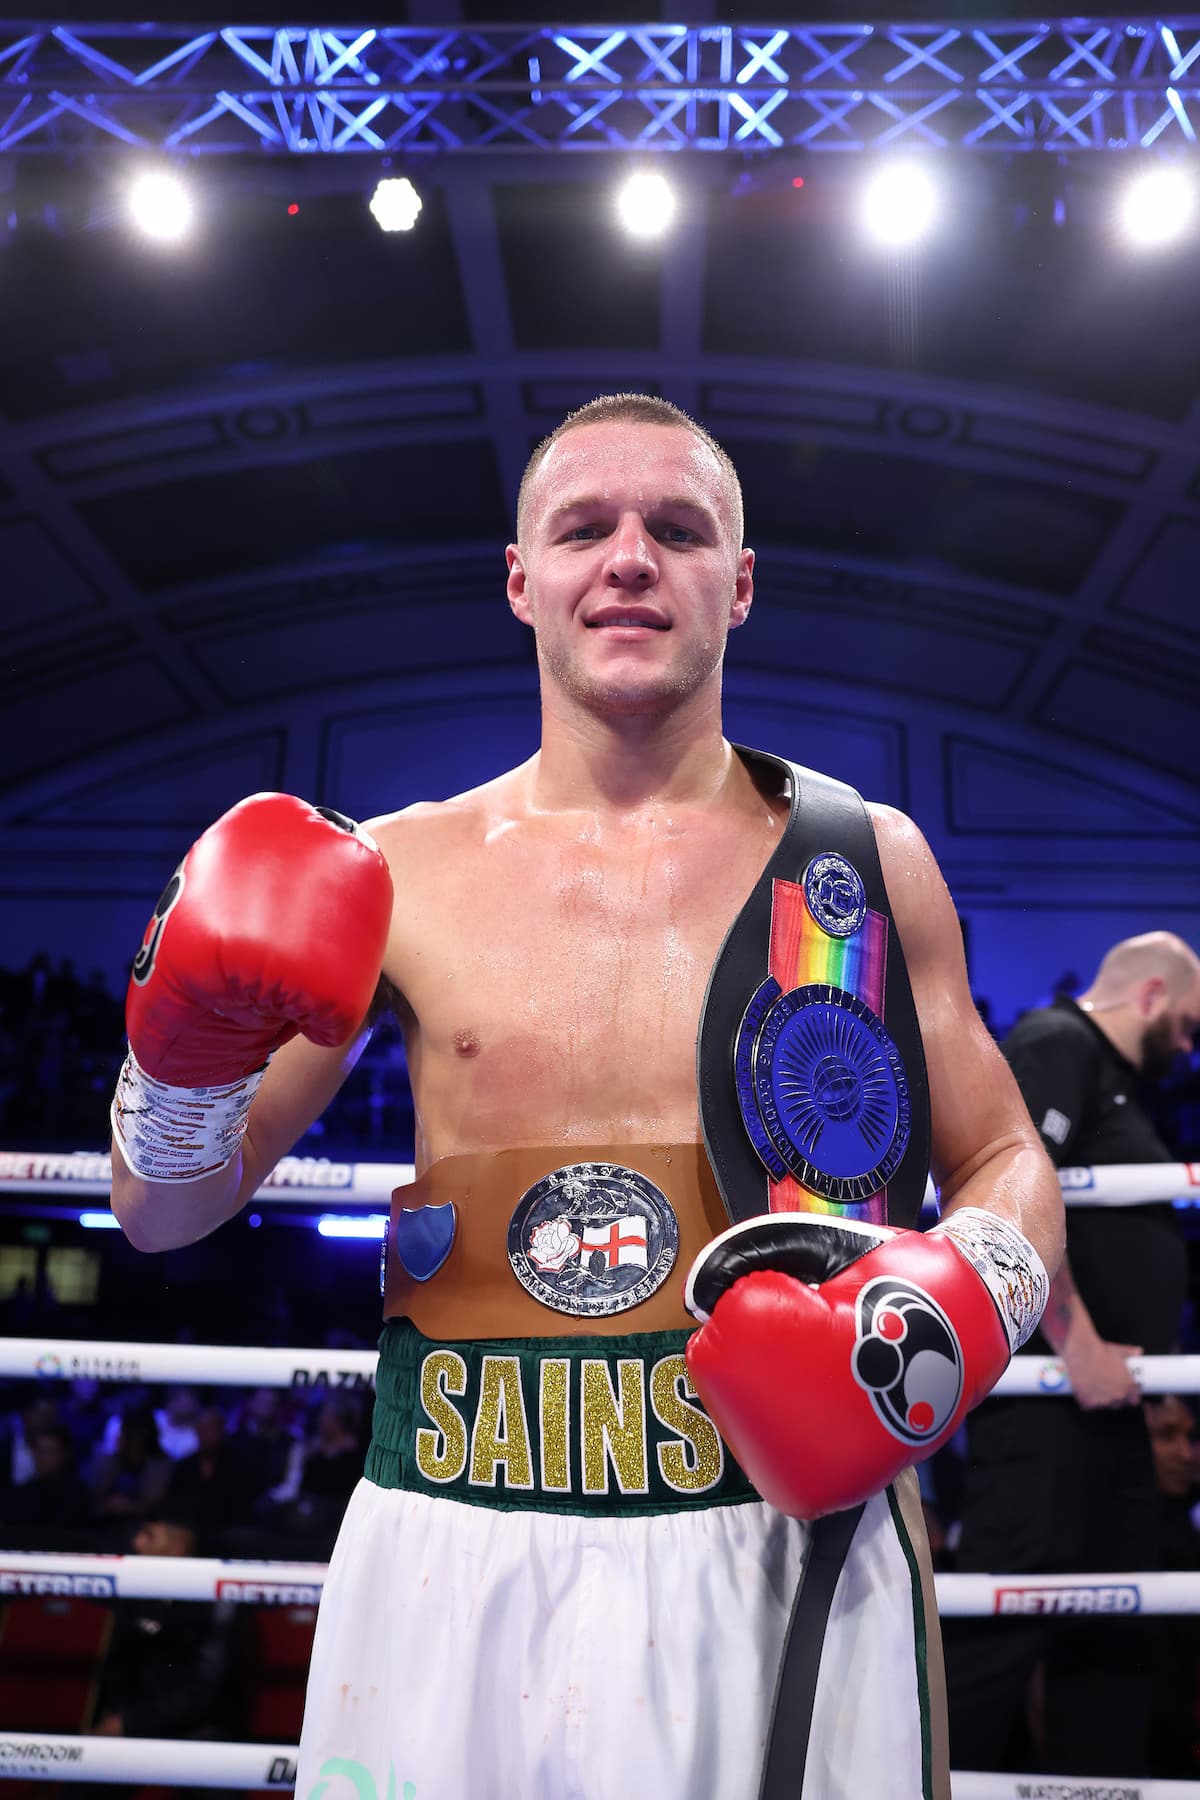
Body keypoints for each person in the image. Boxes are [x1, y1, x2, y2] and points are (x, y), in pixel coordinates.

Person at [109, 394, 1063, 1800]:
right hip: (457, 1525)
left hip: (779, 1528)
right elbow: (161, 1212)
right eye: (585, 529)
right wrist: (178, 1059)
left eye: (677, 530)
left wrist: (945, 1303)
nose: (630, 559)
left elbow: (1007, 1163)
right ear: (521, 580)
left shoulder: (861, 863)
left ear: (737, 585)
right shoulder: (394, 871)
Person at [946, 931, 1200, 1778]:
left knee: (1114, 1634)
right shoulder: (1057, 1043)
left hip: (1114, 1403)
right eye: (1190, 1026)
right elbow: (1013, 1193)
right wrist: (1076, 1340)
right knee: (1004, 1620)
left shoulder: (1122, 1087)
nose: (1190, 1047)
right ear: (1154, 995)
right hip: (1051, 1396)